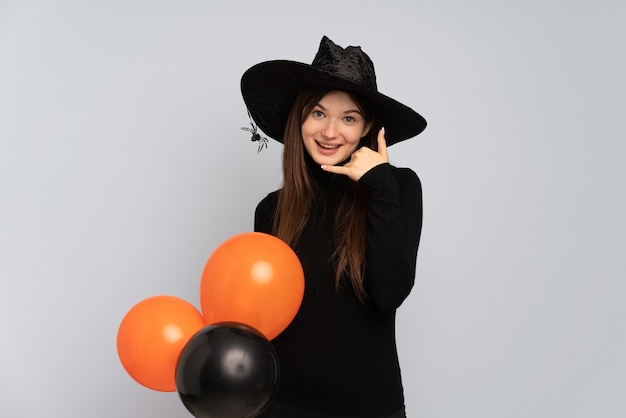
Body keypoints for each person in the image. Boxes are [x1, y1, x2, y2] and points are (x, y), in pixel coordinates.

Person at [240, 36, 427, 418]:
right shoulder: (271, 210)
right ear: (300, 119)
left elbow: (390, 292)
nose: (330, 133)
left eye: (349, 118)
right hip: (279, 405)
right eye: (319, 114)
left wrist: (377, 184)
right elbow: (263, 317)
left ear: (367, 129)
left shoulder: (398, 187)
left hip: (369, 408)